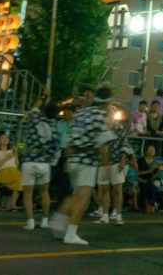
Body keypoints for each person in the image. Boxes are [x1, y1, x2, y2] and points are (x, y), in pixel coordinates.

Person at [50, 87, 115, 245]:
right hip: (88, 160)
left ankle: (58, 220)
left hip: (73, 158)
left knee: (75, 195)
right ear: (107, 101)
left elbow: (69, 138)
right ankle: (71, 233)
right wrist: (106, 167)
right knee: (83, 198)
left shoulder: (80, 113)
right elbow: (103, 144)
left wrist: (68, 158)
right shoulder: (100, 115)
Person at [20, 102, 61, 231]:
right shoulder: (55, 126)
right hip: (44, 162)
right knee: (44, 191)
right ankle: (44, 220)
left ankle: (30, 221)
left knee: (28, 193)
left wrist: (45, 96)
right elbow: (56, 147)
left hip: (30, 160)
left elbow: (35, 106)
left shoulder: (35, 117)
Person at [97, 104, 133, 224]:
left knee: (117, 190)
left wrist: (123, 160)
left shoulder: (120, 128)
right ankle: (105, 215)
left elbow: (125, 144)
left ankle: (118, 215)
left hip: (116, 161)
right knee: (104, 189)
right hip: (104, 162)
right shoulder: (102, 128)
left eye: (110, 114)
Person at [0, 133, 22, 212]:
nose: (5, 139)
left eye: (6, 138)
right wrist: (7, 157)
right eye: (2, 138)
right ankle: (12, 205)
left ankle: (12, 205)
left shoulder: (11, 151)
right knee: (19, 178)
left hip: (14, 170)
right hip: (4, 171)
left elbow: (16, 164)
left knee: (21, 178)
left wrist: (15, 155)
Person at [136, 144, 163, 214]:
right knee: (149, 186)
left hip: (149, 181)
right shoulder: (140, 161)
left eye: (153, 149)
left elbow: (152, 177)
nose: (152, 151)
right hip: (139, 180)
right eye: (150, 149)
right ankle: (149, 206)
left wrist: (158, 170)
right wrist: (148, 171)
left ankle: (149, 205)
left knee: (151, 186)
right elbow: (136, 174)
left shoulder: (155, 163)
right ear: (146, 151)